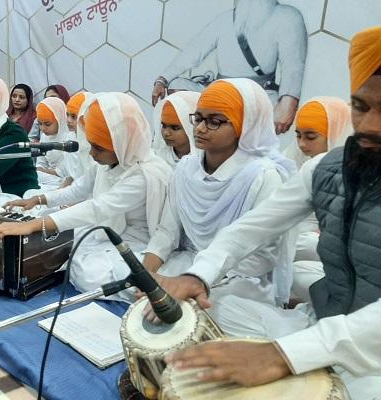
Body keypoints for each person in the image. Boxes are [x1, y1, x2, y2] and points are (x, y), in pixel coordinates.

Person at [160, 26, 381, 400]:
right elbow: (250, 229)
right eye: (360, 107)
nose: (370, 126)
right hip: (322, 320)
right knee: (216, 310)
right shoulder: (325, 169)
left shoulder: (262, 172)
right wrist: (200, 273)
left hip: (372, 351)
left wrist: (282, 356)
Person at [0, 92, 172, 302]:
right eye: (91, 144)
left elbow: (98, 208)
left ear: (121, 143)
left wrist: (34, 225)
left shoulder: (143, 173)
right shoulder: (108, 163)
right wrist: (38, 200)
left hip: (137, 242)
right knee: (67, 248)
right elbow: (79, 189)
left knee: (93, 273)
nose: (92, 154)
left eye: (98, 148)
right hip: (107, 232)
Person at [144, 79, 295, 309]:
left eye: (214, 122)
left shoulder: (263, 177)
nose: (200, 128)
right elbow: (168, 231)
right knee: (139, 290)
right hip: (189, 264)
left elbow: (262, 258)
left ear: (245, 125)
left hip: (240, 280)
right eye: (198, 118)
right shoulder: (186, 168)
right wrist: (146, 274)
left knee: (199, 312)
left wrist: (200, 279)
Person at [152, 0, 307, 135]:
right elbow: (192, 52)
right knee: (177, 87)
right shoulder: (225, 19)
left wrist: (288, 104)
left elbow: (293, 67)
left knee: (271, 113)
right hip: (220, 92)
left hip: (259, 95)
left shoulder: (288, 17)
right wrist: (162, 80)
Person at [285, 98, 352, 299]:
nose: (302, 144)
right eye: (298, 136)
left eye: (311, 137)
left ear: (336, 133)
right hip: (297, 235)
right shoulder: (292, 157)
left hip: (330, 247)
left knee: (301, 248)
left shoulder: (356, 166)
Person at [32, 97, 74, 191]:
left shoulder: (70, 138)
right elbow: (40, 162)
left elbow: (64, 172)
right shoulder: (44, 136)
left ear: (59, 120)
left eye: (47, 124)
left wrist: (41, 171)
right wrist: (38, 170)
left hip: (64, 180)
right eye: (40, 124)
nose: (43, 128)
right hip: (46, 177)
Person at [152, 91, 200, 168]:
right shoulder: (156, 158)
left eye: (175, 128)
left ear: (191, 128)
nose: (166, 133)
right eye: (164, 126)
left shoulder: (204, 162)